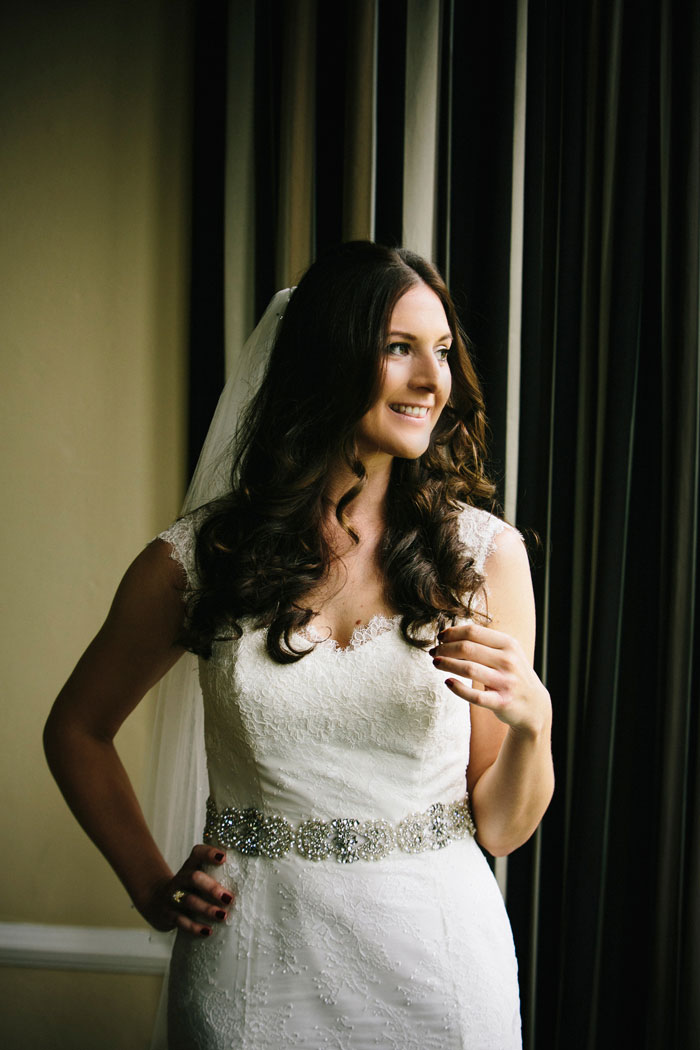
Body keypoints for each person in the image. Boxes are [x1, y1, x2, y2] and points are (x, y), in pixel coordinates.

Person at [44, 241, 553, 1050]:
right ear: (329, 355)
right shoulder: (201, 558)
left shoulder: (485, 558)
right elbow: (76, 729)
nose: (433, 380)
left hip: (442, 968)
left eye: (444, 352)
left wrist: (533, 724)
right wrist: (149, 884)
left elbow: (500, 828)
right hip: (253, 968)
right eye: (398, 348)